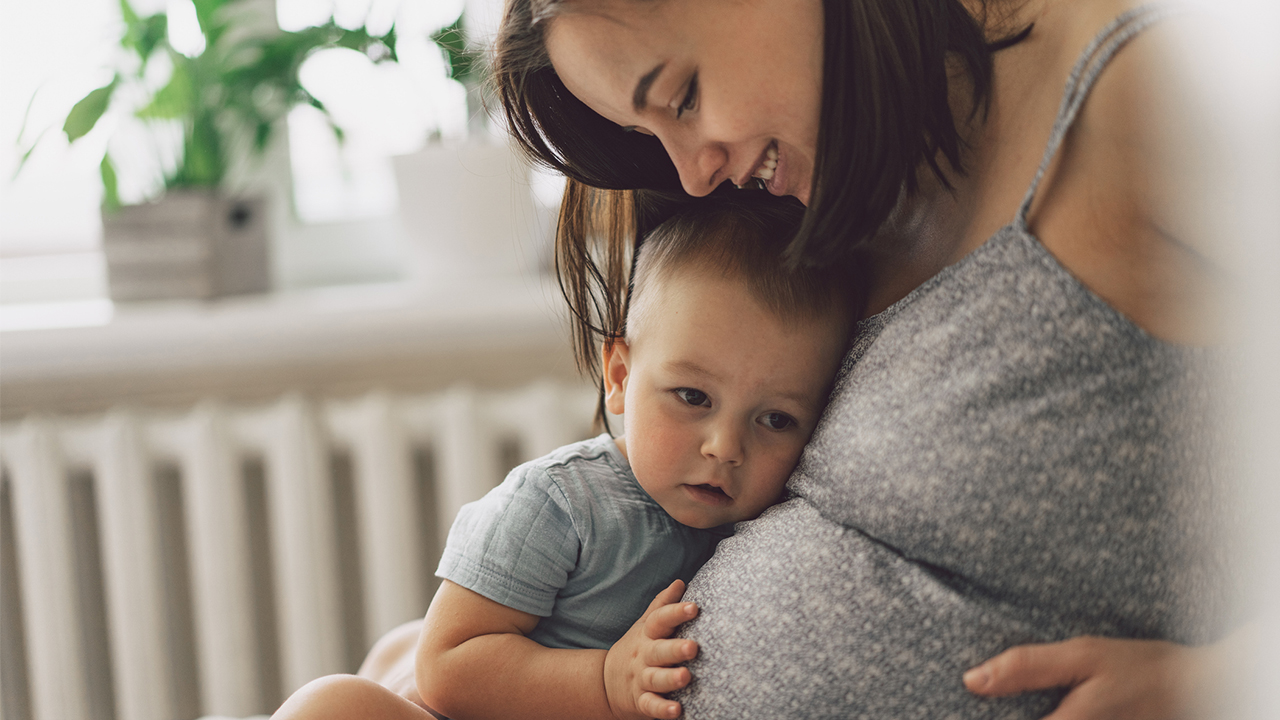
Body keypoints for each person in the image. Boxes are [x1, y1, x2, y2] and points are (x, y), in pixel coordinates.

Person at [464, 0, 1235, 717]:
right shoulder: (817, 184)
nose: (694, 172)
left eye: (685, 95)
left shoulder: (1143, 91)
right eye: (648, 138)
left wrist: (1218, 682)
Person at [272, 196, 860, 720]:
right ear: (620, 376)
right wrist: (605, 681)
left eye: (776, 420)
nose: (725, 447)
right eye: (693, 397)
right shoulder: (561, 504)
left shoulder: (774, 521)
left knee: (396, 648)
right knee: (333, 703)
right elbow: (448, 666)